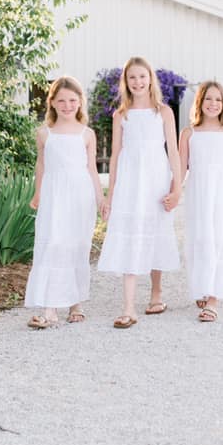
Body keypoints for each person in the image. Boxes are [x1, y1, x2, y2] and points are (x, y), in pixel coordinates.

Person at [98, 56, 181, 328]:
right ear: (126, 82)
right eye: (132, 77)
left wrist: (177, 186)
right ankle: (129, 307)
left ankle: (156, 295)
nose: (138, 82)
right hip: (130, 182)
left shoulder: (164, 112)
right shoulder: (121, 115)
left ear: (150, 79)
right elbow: (115, 155)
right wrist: (110, 193)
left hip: (156, 178)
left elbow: (173, 151)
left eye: (142, 77)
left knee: (155, 231)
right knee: (132, 234)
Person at [26, 76, 105, 329]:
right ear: (52, 103)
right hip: (54, 195)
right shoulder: (44, 133)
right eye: (62, 101)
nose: (68, 105)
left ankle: (76, 302)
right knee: (53, 243)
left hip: (80, 195)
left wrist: (101, 198)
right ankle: (49, 308)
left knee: (77, 246)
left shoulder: (87, 134)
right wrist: (37, 193)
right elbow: (41, 166)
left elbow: (92, 169)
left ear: (80, 102)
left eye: (72, 100)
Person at [179, 80, 223, 322]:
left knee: (218, 240)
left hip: (222, 194)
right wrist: (174, 192)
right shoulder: (189, 134)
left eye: (218, 100)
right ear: (200, 102)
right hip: (197, 194)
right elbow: (181, 169)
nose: (213, 104)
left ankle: (214, 297)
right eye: (208, 99)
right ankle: (203, 286)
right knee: (199, 239)